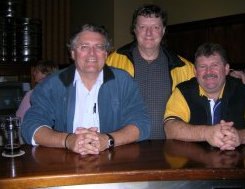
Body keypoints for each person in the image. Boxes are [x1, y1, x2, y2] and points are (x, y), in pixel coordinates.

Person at [107, 4, 245, 139]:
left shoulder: (181, 66)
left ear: (163, 31)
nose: (149, 33)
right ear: (135, 29)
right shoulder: (113, 61)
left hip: (169, 145)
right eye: (143, 26)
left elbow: (206, 77)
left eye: (155, 27)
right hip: (126, 142)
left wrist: (230, 73)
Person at [21, 23, 150, 155]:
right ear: (72, 53)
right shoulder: (52, 84)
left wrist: (108, 140)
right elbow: (31, 126)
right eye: (84, 47)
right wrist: (67, 140)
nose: (92, 54)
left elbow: (141, 123)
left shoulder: (123, 81)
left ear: (106, 54)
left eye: (99, 47)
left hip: (112, 160)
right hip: (66, 161)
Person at [164, 43, 245, 150]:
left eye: (215, 65)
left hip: (238, 164)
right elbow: (170, 128)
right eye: (202, 66)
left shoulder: (244, 90)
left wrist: (241, 136)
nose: (209, 72)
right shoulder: (183, 91)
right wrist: (206, 133)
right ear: (195, 71)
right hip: (193, 165)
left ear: (226, 69)